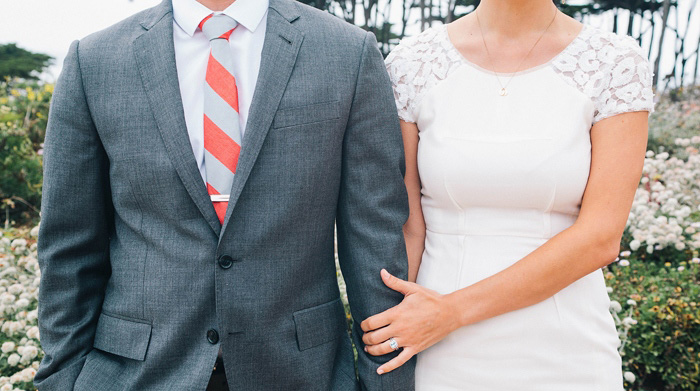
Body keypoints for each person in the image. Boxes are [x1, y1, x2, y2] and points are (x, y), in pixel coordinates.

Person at [35, 0, 415, 389]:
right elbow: (69, 247)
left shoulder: (346, 52)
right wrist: (60, 381)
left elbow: (374, 243)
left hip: (300, 372)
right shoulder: (95, 61)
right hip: (136, 375)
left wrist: (386, 384)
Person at [361, 0, 654, 389]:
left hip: (567, 350)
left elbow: (600, 238)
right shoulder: (412, 62)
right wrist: (389, 338)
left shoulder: (615, 62)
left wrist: (451, 312)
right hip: (436, 349)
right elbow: (408, 229)